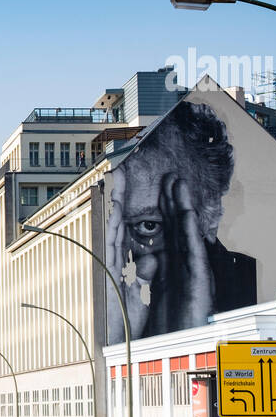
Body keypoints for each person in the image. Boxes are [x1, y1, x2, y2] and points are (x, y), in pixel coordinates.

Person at [105, 101, 257, 345]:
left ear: (211, 214)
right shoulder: (108, 297)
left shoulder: (248, 291)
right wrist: (115, 342)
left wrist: (193, 337)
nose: (125, 254)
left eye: (148, 226)